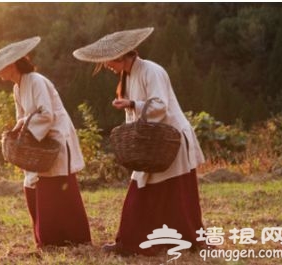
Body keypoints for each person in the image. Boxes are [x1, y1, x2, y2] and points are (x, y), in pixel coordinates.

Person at [73, 27, 206, 255]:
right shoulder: (129, 75)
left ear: (121, 56)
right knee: (148, 191)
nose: (106, 66)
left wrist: (133, 104)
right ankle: (134, 241)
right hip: (152, 143)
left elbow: (160, 106)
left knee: (174, 194)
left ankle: (174, 241)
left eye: (108, 61)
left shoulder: (151, 71)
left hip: (169, 141)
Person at [0, 36, 91, 248]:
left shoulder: (36, 81)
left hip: (54, 138)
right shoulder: (17, 88)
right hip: (39, 142)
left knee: (58, 188)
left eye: (0, 68)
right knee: (34, 185)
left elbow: (46, 114)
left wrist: (27, 130)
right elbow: (23, 115)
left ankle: (73, 238)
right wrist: (18, 129)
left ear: (11, 65)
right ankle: (49, 239)